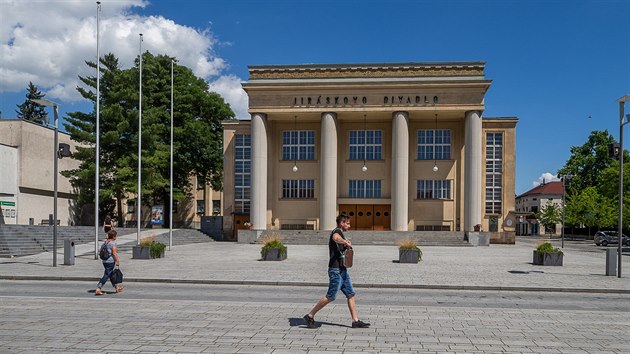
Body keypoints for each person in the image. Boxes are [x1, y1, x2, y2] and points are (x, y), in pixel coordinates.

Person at [303, 214, 370, 329]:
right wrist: (345, 242)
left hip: (342, 270)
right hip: (335, 270)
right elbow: (335, 238)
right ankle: (310, 315)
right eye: (347, 223)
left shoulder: (341, 233)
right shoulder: (337, 231)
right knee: (331, 296)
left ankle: (355, 321)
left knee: (350, 294)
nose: (349, 225)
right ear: (342, 223)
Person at [95, 229, 123, 295]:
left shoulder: (105, 242)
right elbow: (114, 253)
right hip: (110, 261)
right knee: (107, 275)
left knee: (110, 274)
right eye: (115, 236)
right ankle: (98, 288)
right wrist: (117, 261)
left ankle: (116, 287)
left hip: (104, 261)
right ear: (113, 236)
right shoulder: (112, 243)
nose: (116, 237)